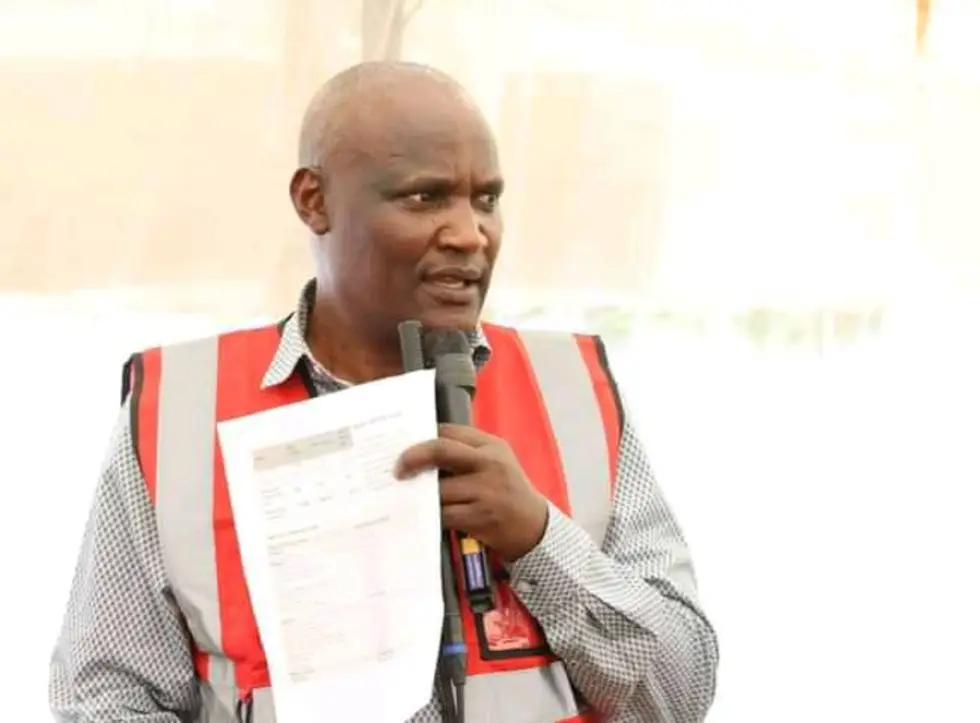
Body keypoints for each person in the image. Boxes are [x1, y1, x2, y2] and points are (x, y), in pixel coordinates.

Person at [49, 61, 719, 723]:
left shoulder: (570, 387)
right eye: (424, 197)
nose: (469, 233)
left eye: (485, 199)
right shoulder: (180, 411)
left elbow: (682, 692)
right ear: (314, 200)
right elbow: (107, 701)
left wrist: (538, 538)